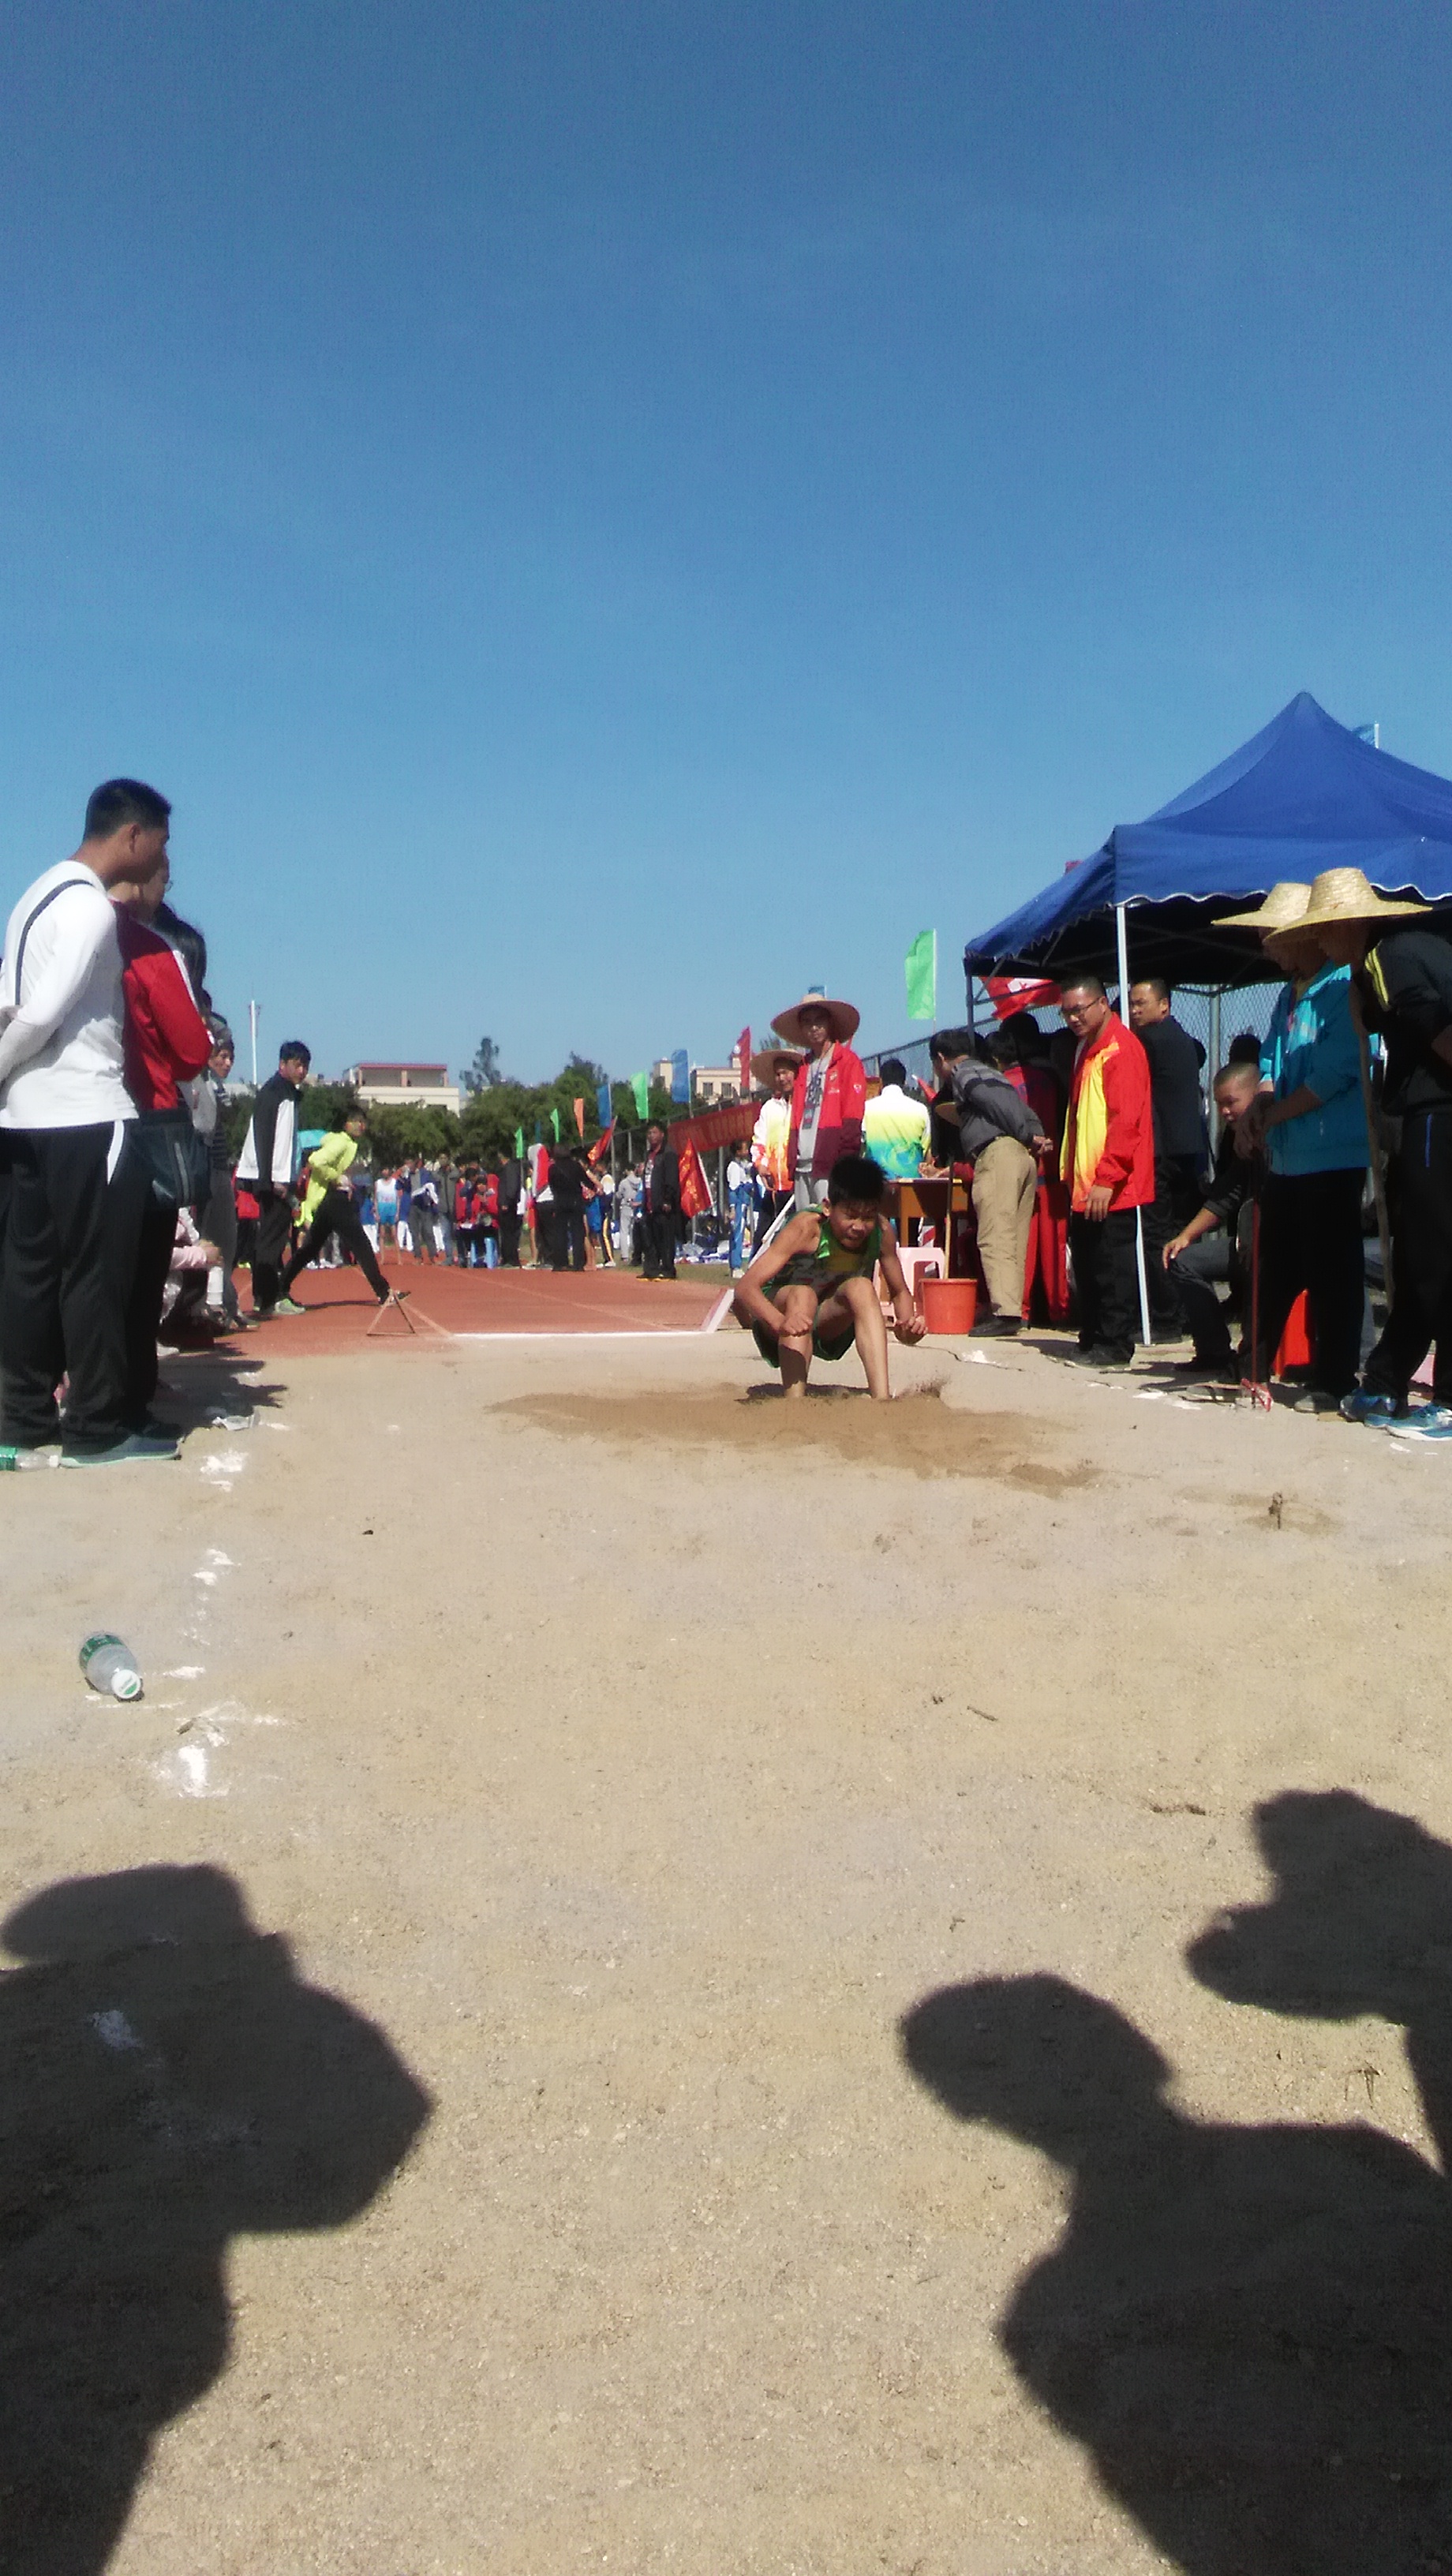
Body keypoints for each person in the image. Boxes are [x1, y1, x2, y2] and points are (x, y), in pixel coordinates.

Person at [0, 777, 173, 1464]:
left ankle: (21, 1418)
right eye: (161, 841)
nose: (163, 856)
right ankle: (96, 1427)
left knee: (29, 1274)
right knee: (97, 1274)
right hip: (88, 1117)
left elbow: (10, 1003)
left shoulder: (31, 898)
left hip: (26, 1121)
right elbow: (41, 1014)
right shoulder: (91, 908)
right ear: (132, 836)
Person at [1218, 879, 1370, 1411]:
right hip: (1287, 1157)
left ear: (1303, 935)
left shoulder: (1343, 987)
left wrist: (1268, 1118)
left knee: (1333, 1271)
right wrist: (1259, 1106)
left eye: (1272, 936)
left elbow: (1334, 1074)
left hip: (1333, 1155)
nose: (1265, 947)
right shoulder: (1288, 993)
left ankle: (1335, 1379)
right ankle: (1252, 1366)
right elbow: (1270, 1061)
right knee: (1272, 1266)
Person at [110, 839, 213, 1433]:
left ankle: (47, 1394)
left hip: (60, 1119)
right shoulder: (148, 948)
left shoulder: (58, 928)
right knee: (142, 1268)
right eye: (163, 877)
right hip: (144, 1117)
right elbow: (191, 1053)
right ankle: (127, 1396)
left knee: (78, 1267)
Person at [732, 1151, 925, 1399]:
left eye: (868, 1217)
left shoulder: (882, 1231)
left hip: (828, 1321)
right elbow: (746, 1287)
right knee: (803, 1295)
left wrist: (907, 1327)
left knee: (862, 1287)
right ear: (827, 1207)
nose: (858, 1227)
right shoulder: (806, 1229)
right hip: (781, 1317)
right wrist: (780, 1323)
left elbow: (900, 1292)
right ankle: (794, 1403)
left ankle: (881, 1398)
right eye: (850, 1215)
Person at [1057, 974, 1154, 1368]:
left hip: (1111, 1185)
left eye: (1079, 1010)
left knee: (1112, 1266)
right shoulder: (1085, 1048)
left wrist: (1107, 1178)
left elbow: (1125, 1121)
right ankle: (1093, 1334)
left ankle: (1116, 1344)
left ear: (1102, 1004)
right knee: (1088, 1263)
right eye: (1066, 1012)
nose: (1073, 1018)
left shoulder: (1121, 1049)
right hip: (1084, 1184)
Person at [930, 1027, 1053, 1336]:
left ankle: (1006, 1312)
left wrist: (1026, 1135)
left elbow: (991, 1102)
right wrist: (1035, 1135)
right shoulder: (994, 1073)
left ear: (941, 1059)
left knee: (995, 1236)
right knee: (1015, 1238)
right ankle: (1014, 1308)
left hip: (997, 1155)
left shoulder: (963, 1074)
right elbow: (1020, 1108)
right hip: (1023, 1158)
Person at [1161, 1061, 1264, 1380]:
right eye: (1219, 1104)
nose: (1225, 1112)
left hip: (1277, 1242)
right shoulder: (1236, 1142)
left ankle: (1255, 1361)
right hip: (1246, 1240)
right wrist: (1185, 1236)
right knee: (1182, 1260)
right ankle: (1214, 1352)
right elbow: (1225, 1198)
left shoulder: (1279, 1135)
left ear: (1257, 1095)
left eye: (1231, 1102)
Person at [1128, 976, 1209, 1337]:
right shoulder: (1183, 1039)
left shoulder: (1148, 1040)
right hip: (1187, 1148)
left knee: (1157, 1234)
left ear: (1164, 1005)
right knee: (1180, 1232)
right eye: (1132, 1004)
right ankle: (1186, 1310)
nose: (1134, 1011)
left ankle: (1166, 1315)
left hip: (1162, 1151)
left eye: (1140, 1004)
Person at [275, 1110, 392, 1308]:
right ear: (346, 1124)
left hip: (327, 1201)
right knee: (361, 1245)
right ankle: (383, 1292)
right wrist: (336, 1177)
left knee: (310, 1248)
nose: (360, 1126)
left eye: (363, 1122)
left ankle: (280, 1288)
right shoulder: (341, 1142)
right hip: (334, 1200)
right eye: (355, 1121)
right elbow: (316, 1160)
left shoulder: (342, 1142)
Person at [771, 990, 866, 1209]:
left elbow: (853, 1115)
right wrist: (792, 1159)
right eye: (807, 1022)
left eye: (819, 1020)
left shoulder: (848, 1062)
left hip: (831, 1164)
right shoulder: (803, 1067)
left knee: (830, 1220)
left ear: (829, 1022)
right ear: (801, 1028)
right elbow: (796, 1115)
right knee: (805, 1223)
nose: (814, 1027)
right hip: (802, 1164)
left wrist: (845, 1162)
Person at [236, 1040, 310, 1318]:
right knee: (271, 1239)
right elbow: (264, 1136)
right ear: (282, 1064)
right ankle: (268, 1298)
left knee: (272, 1237)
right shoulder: (273, 1094)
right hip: (271, 1177)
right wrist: (267, 1180)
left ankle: (266, 1296)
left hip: (277, 1175)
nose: (302, 1071)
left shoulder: (288, 1094)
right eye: (297, 1065)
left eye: (305, 1066)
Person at [200, 1020, 244, 1328]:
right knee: (211, 1239)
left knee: (227, 1240)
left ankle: (227, 1303)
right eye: (222, 1056)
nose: (227, 1063)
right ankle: (215, 1305)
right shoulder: (204, 1083)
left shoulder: (215, 1085)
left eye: (231, 1058)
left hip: (219, 1169)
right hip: (207, 1171)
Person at [750, 1048, 801, 1248]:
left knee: (794, 1243)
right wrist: (761, 1165)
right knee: (762, 1241)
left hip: (798, 1189)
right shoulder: (769, 1108)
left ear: (796, 1074)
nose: (782, 1078)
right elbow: (759, 1141)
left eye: (786, 1073)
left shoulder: (804, 1106)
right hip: (773, 1190)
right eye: (778, 1074)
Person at [862, 1056, 932, 1182]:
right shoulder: (921, 1110)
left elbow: (861, 1146)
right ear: (904, 1082)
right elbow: (926, 1153)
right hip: (911, 1186)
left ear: (881, 1081)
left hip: (875, 1184)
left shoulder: (866, 1109)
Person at [638, 1121, 681, 1279]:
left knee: (666, 1238)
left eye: (654, 1132)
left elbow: (671, 1178)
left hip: (663, 1203)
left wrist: (667, 1199)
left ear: (662, 1134)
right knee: (650, 1238)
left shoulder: (668, 1154)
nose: (651, 1136)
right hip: (650, 1202)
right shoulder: (649, 1154)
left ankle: (668, 1269)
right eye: (649, 1133)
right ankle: (652, 1269)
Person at [547, 1146, 590, 1270]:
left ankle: (560, 1262)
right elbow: (585, 1180)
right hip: (575, 1201)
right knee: (578, 1232)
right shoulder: (576, 1166)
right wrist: (594, 1187)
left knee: (560, 1233)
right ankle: (578, 1263)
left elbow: (552, 1185)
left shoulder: (553, 1169)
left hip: (560, 1202)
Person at [725, 1142, 755, 1275]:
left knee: (740, 1234)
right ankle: (736, 1266)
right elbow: (733, 1189)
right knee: (737, 1235)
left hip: (744, 1202)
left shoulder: (742, 1165)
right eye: (745, 1149)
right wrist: (732, 1209)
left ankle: (735, 1265)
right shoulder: (734, 1168)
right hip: (738, 1204)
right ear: (738, 1152)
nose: (747, 1151)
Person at [496, 1148, 525, 1266]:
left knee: (509, 1233)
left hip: (508, 1205)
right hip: (506, 1203)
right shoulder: (507, 1168)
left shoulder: (510, 1168)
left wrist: (507, 1202)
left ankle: (511, 1259)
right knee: (505, 1233)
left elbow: (512, 1187)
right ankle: (507, 1258)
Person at [409, 1161, 440, 1263]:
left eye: (410, 1163)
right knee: (414, 1232)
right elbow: (401, 1187)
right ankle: (418, 1256)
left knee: (428, 1231)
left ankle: (433, 1255)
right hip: (412, 1205)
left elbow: (432, 1186)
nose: (409, 1166)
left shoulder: (426, 1174)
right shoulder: (407, 1175)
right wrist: (403, 1177)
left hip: (425, 1205)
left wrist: (431, 1199)